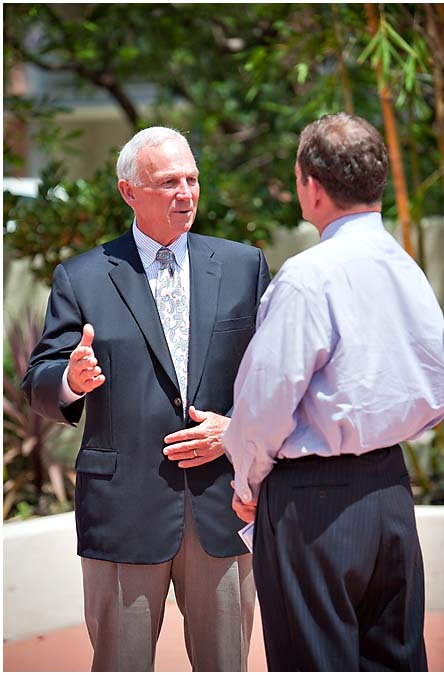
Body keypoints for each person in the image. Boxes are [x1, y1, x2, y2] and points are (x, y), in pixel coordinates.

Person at [23, 127, 270, 671]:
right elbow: (39, 379)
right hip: (123, 511)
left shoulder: (243, 267)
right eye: (168, 183)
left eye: (192, 179)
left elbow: (274, 380)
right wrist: (71, 379)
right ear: (129, 191)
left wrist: (233, 428)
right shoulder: (82, 276)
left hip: (223, 505)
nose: (185, 193)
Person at [222, 112, 444, 671]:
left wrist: (246, 480)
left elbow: (264, 402)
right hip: (392, 494)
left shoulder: (306, 277)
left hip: (311, 503)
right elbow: (436, 388)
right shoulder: (410, 273)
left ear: (312, 186)